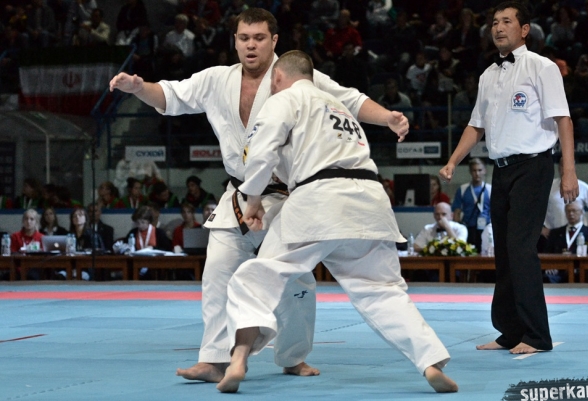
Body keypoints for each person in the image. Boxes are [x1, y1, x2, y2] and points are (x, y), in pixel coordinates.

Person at [109, 7, 409, 383]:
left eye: (259, 38)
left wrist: (387, 118)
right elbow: (171, 96)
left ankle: (292, 356)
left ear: (274, 41)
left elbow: (347, 100)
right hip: (239, 192)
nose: (251, 45)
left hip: (286, 195)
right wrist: (138, 88)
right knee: (218, 269)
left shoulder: (297, 78)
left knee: (295, 280)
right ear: (234, 41)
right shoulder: (216, 80)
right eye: (244, 38)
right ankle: (214, 359)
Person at [217, 50, 457, 394]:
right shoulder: (337, 107)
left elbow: (260, 153)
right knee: (382, 291)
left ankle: (238, 360)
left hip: (318, 199)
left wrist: (252, 199)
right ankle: (430, 361)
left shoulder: (284, 98)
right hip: (370, 200)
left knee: (256, 278)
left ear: (278, 77)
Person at [439, 2, 579, 354]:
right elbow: (476, 126)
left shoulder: (542, 67)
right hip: (500, 170)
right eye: (494, 22)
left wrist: (569, 171)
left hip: (533, 166)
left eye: (507, 21)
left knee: (520, 248)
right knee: (503, 251)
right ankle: (510, 330)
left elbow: (563, 120)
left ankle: (537, 335)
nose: (499, 28)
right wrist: (453, 160)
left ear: (524, 29)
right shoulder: (488, 75)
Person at [542, 157, 588, 234]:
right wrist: (542, 228)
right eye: (563, 166)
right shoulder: (549, 187)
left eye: (569, 166)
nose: (565, 169)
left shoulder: (583, 187)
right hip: (554, 234)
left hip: (578, 234)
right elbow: (537, 208)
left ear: (574, 168)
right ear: (558, 168)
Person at [544, 201, 588, 283]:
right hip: (558, 271)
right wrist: (550, 266)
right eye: (568, 211)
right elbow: (548, 253)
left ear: (581, 212)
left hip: (581, 271)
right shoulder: (555, 233)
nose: (571, 214)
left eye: (574, 211)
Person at [451, 158, 491, 251]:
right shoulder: (462, 189)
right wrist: (458, 228)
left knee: (486, 252)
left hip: (486, 227)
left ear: (485, 171)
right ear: (470, 171)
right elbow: (457, 211)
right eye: (474, 170)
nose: (477, 173)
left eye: (480, 170)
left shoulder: (490, 189)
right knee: (469, 252)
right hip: (468, 227)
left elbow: (495, 210)